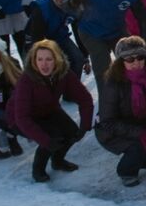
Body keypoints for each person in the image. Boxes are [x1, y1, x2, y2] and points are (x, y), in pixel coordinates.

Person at [94, 36, 146, 187]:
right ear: (121, 61)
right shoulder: (113, 83)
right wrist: (138, 132)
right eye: (129, 59)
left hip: (141, 120)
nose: (136, 63)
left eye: (140, 57)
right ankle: (126, 171)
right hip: (114, 128)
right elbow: (107, 121)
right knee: (141, 143)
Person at [8, 39, 94, 183]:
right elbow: (22, 117)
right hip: (19, 118)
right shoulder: (27, 80)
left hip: (48, 110)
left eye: (49, 59)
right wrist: (45, 141)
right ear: (34, 61)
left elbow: (84, 99)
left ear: (57, 60)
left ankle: (58, 161)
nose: (44, 64)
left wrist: (85, 124)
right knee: (52, 137)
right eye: (39, 59)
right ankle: (38, 169)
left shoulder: (63, 73)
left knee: (72, 132)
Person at [71, 0, 146, 96]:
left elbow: (144, 19)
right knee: (103, 69)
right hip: (91, 32)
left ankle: (136, 96)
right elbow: (69, 7)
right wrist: (73, 3)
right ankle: (107, 106)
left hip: (116, 31)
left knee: (131, 58)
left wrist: (145, 46)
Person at [25, 0, 85, 74]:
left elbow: (78, 31)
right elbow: (36, 37)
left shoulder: (71, 8)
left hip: (60, 37)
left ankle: (72, 85)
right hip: (38, 40)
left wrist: (84, 55)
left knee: (78, 59)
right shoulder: (41, 8)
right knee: (52, 65)